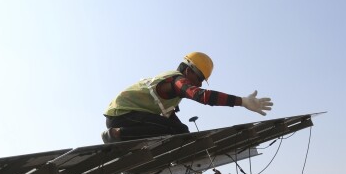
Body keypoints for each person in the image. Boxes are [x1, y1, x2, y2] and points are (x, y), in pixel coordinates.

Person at [101, 52, 273, 143]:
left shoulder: (173, 87)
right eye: (198, 79)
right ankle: (116, 135)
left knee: (181, 131)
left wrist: (186, 136)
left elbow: (168, 116)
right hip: (121, 116)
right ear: (188, 70)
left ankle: (124, 135)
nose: (198, 84)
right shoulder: (176, 81)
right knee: (172, 130)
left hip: (129, 115)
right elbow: (202, 96)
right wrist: (242, 101)